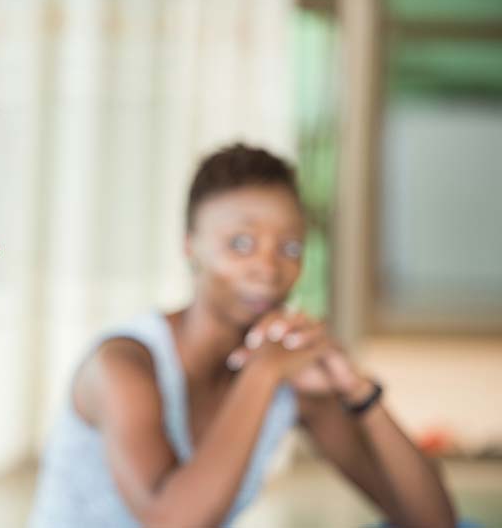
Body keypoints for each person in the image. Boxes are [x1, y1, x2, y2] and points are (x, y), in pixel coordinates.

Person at [29, 143, 456, 527]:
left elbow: (434, 520)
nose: (268, 269)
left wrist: (357, 389)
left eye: (289, 249)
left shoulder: (293, 376)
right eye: (241, 244)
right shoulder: (123, 365)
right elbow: (171, 523)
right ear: (190, 248)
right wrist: (264, 370)